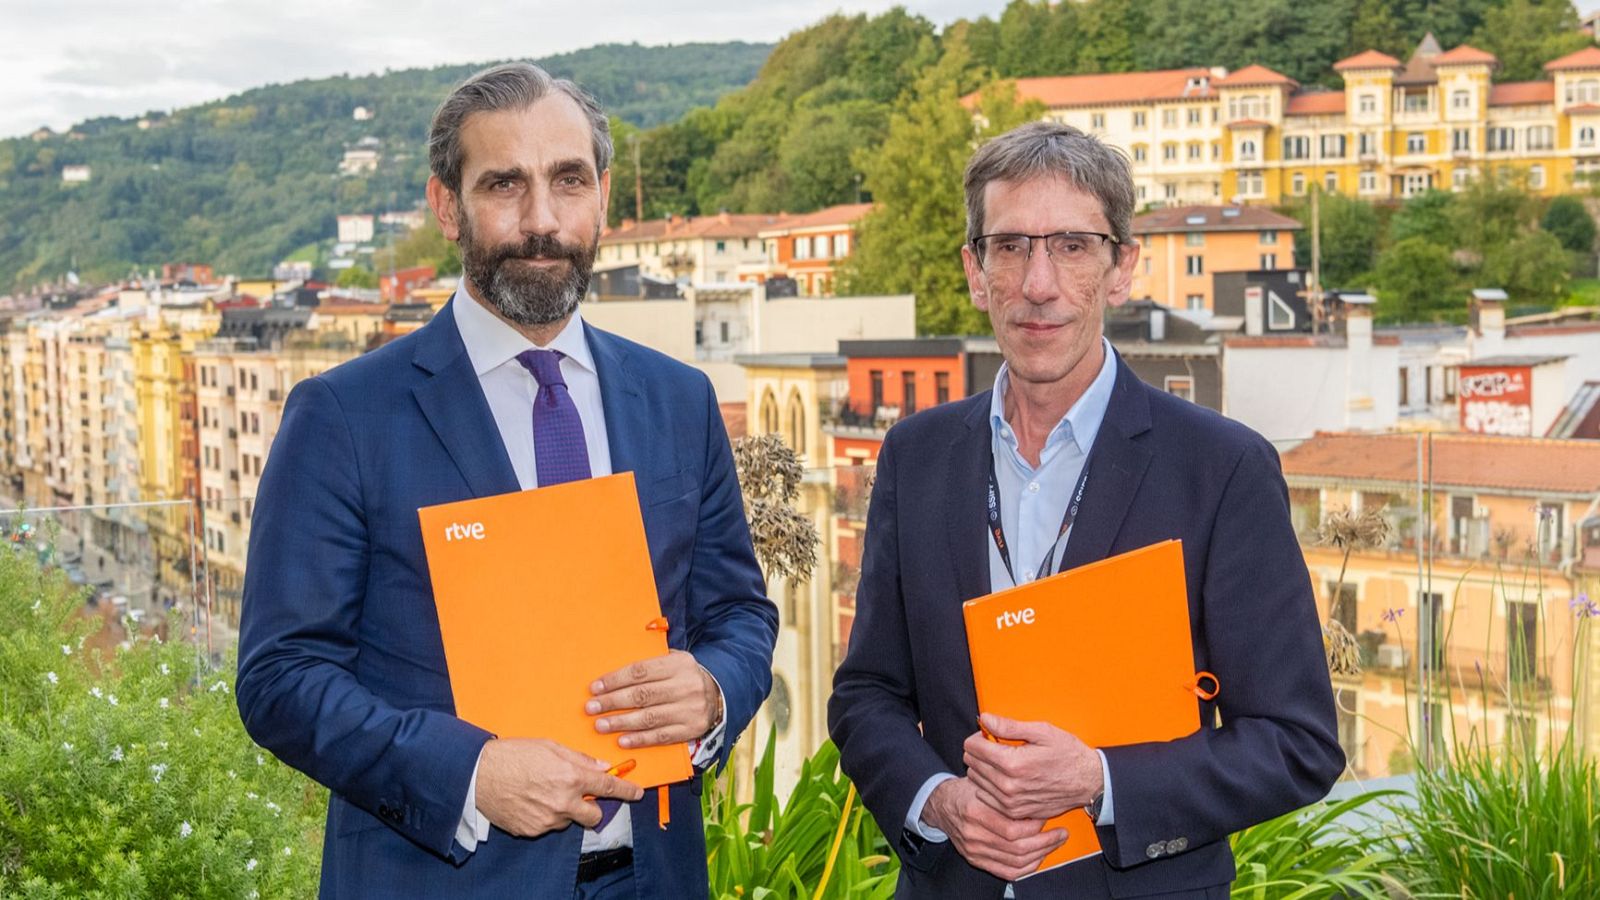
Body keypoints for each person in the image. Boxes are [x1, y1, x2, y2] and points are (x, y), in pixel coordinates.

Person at [236, 63, 778, 899]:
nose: (542, 221)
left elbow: (740, 614)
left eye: (568, 181)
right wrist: (470, 773)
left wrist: (711, 691)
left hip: (656, 878)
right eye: (504, 185)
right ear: (447, 206)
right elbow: (282, 677)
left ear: (603, 194)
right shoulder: (344, 415)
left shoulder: (680, 399)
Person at [827, 121, 1344, 899]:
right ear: (975, 272)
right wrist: (938, 801)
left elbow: (1297, 744)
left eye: (1072, 246)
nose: (1038, 283)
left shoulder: (1221, 468)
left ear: (1120, 268)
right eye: (1010, 246)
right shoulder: (915, 456)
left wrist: (1100, 781)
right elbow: (866, 694)